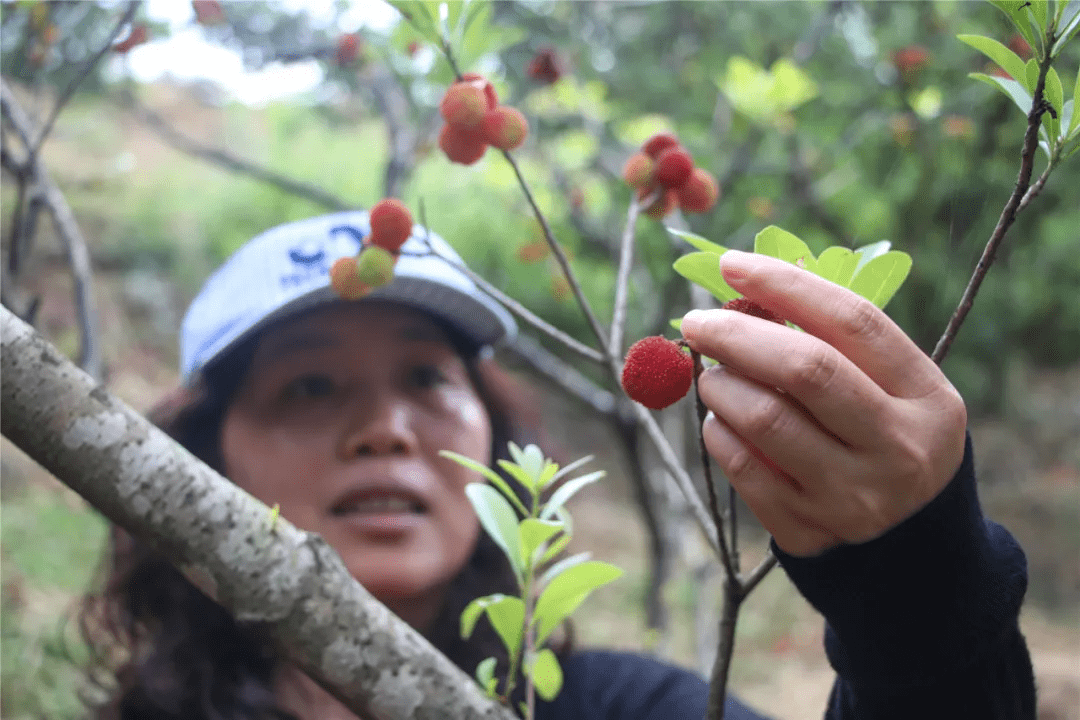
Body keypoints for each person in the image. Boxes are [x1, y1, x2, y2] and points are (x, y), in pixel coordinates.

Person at [80, 210, 1035, 720]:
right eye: (309, 388)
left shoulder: (623, 709)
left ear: (496, 443)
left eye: (424, 376)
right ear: (204, 459)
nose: (385, 430)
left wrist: (917, 588)